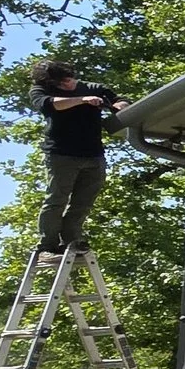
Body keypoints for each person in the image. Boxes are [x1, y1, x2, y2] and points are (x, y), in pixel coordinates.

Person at [27, 59, 119, 253]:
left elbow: (119, 100)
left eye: (69, 80)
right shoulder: (40, 90)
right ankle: (48, 244)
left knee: (84, 201)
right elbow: (51, 105)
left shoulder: (93, 87)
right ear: (51, 83)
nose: (67, 85)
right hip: (61, 155)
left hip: (93, 154)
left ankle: (72, 239)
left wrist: (120, 106)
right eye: (61, 83)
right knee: (56, 199)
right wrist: (82, 100)